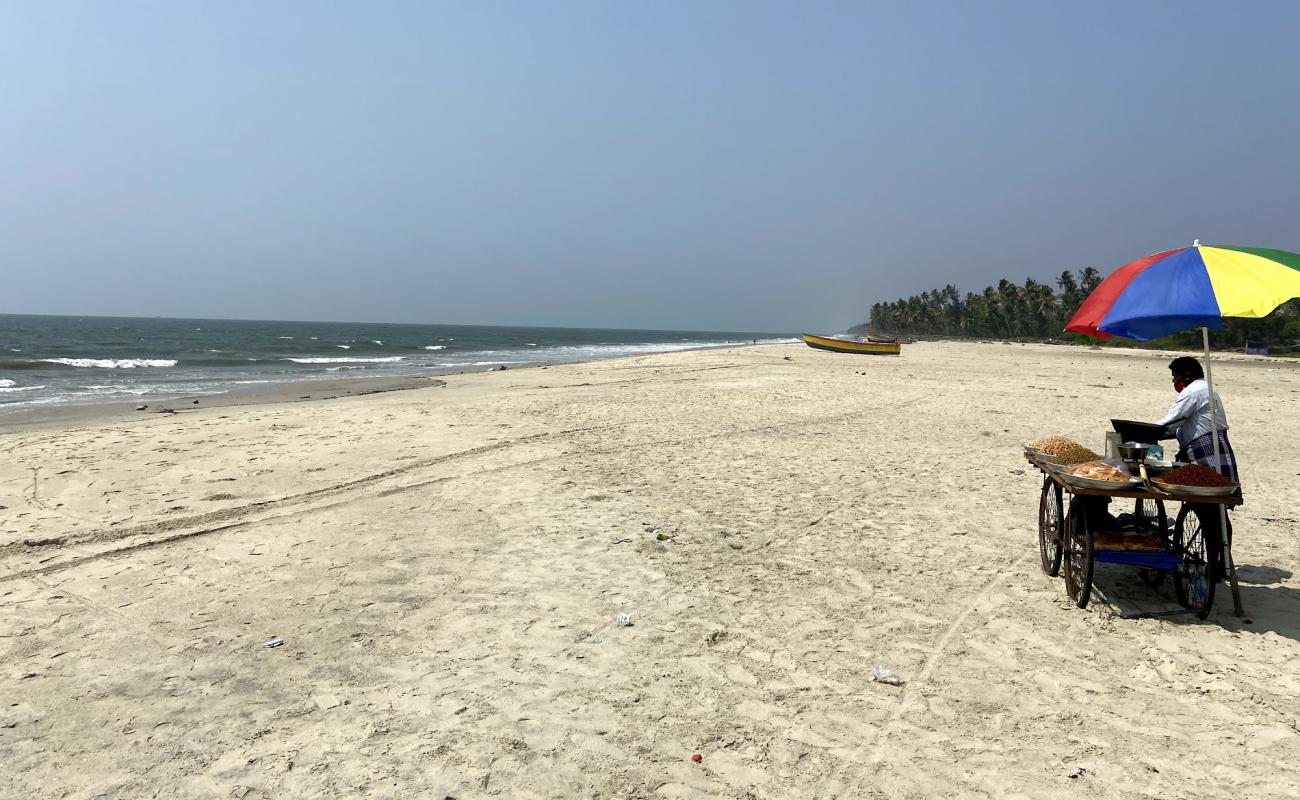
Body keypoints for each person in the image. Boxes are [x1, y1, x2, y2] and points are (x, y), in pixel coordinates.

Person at [1158, 356, 1238, 483]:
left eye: (1175, 376)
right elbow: (1189, 424)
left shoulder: (1193, 392)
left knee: (1208, 489)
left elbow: (1171, 421)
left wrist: (1144, 431)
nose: (1174, 381)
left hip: (1206, 448)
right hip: (1218, 444)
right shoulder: (1207, 388)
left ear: (1187, 375)